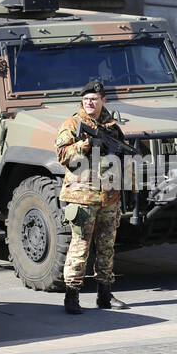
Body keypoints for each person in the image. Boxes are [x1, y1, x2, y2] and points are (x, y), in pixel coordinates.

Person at [56, 79, 124, 314]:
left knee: (107, 246)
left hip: (109, 195)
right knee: (80, 246)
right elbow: (62, 154)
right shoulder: (72, 123)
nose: (89, 103)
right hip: (82, 195)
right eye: (86, 100)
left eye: (94, 99)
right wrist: (86, 144)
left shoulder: (112, 126)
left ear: (103, 101)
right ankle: (72, 295)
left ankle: (104, 294)